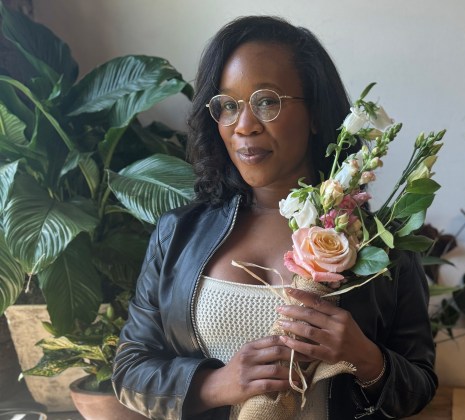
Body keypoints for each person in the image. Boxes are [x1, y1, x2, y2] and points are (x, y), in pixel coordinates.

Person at [112, 15, 437, 420]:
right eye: (228, 105)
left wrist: (366, 358)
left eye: (266, 101)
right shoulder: (178, 234)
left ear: (316, 112)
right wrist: (216, 384)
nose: (244, 126)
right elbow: (130, 370)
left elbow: (419, 385)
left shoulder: (380, 244)